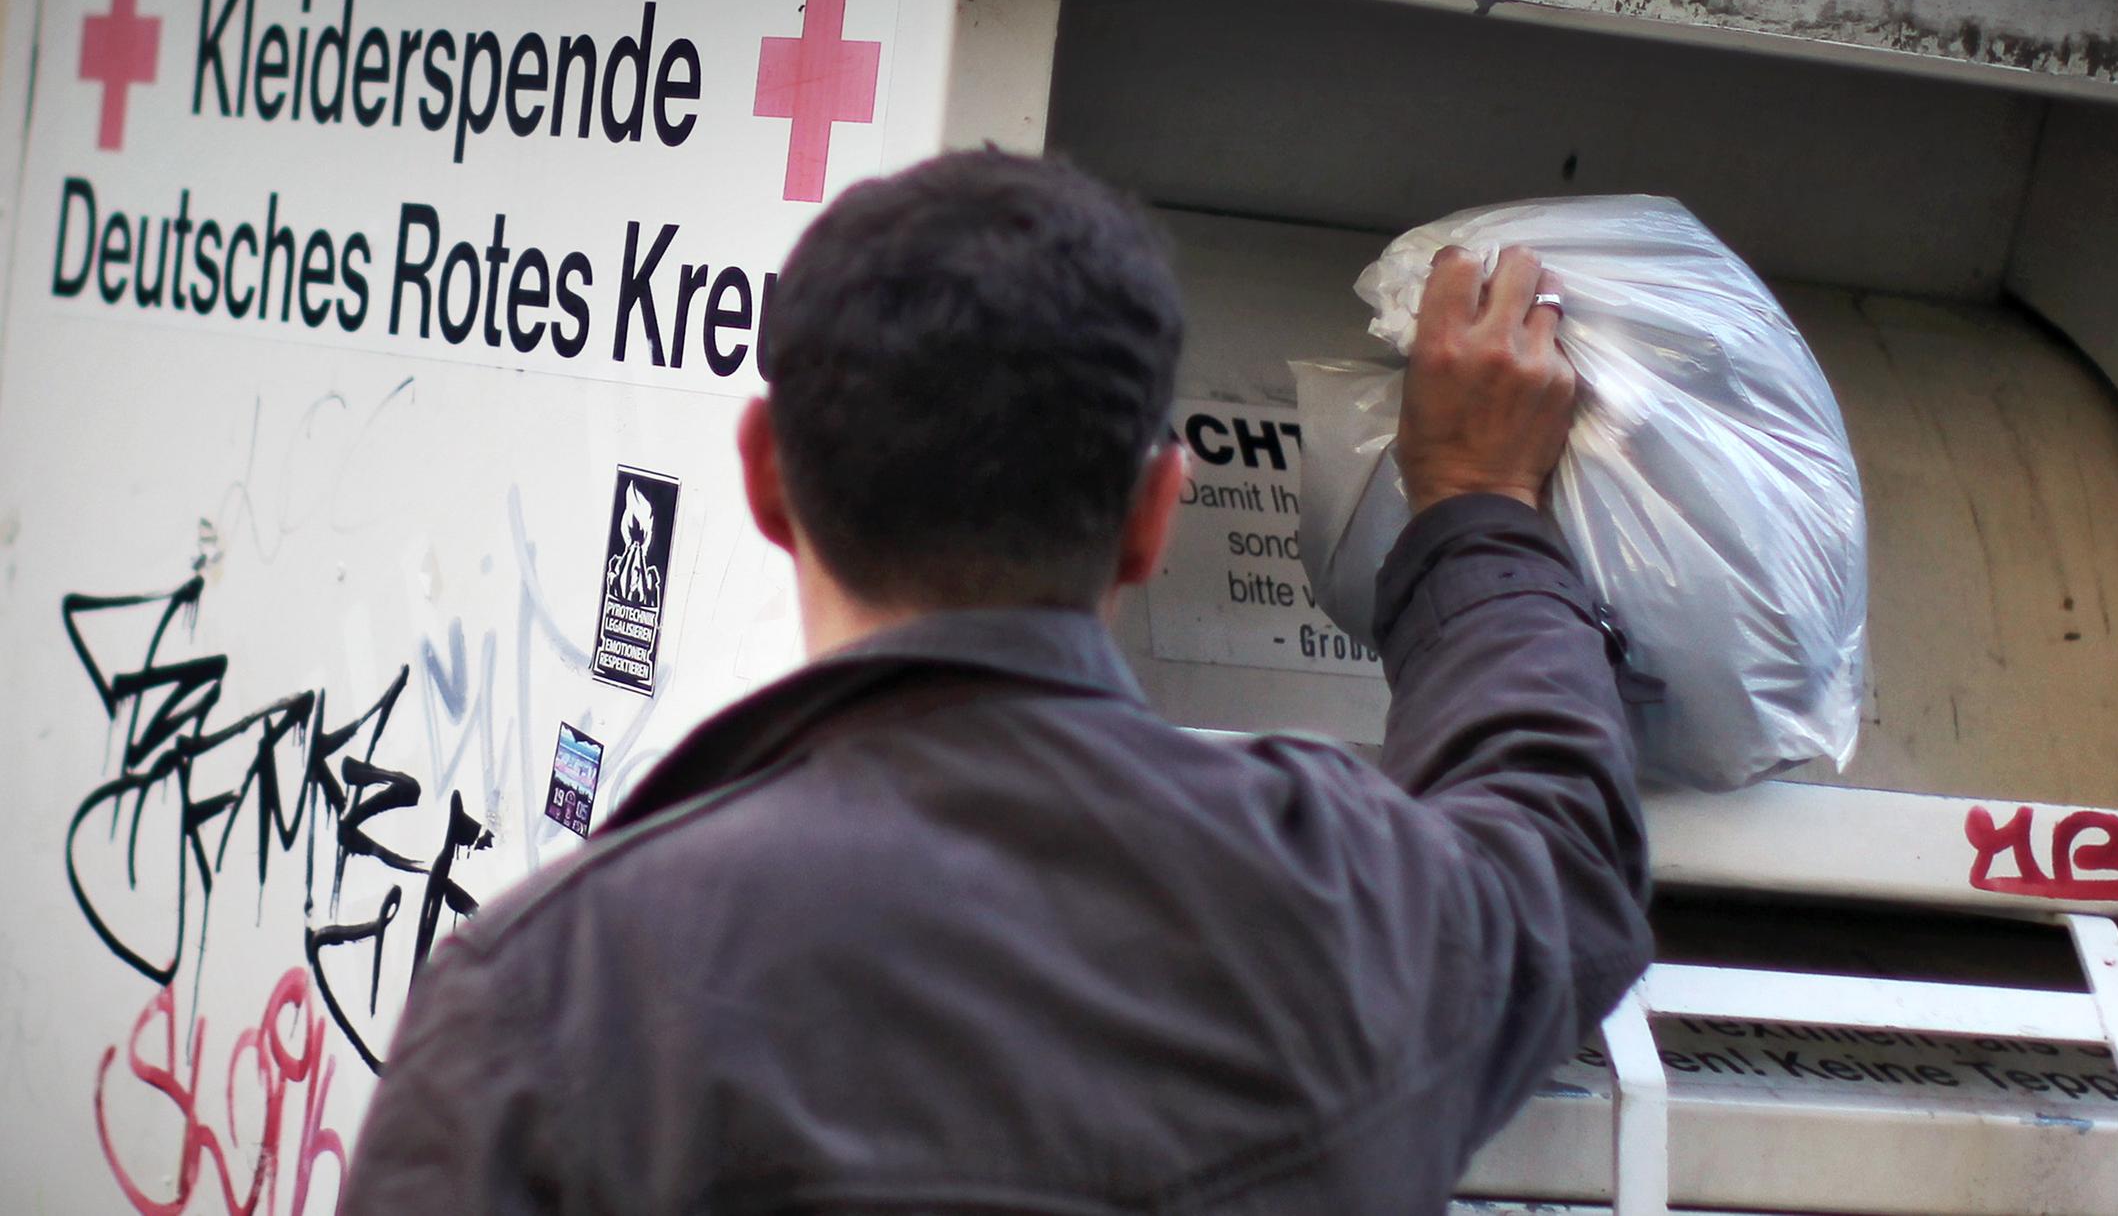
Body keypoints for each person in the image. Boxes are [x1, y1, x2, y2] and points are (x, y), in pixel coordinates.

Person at [342, 151, 1651, 1214]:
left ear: (764, 480)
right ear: (1154, 514)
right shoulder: (1356, 898)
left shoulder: (546, 997)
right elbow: (1562, 838)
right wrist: (1479, 500)